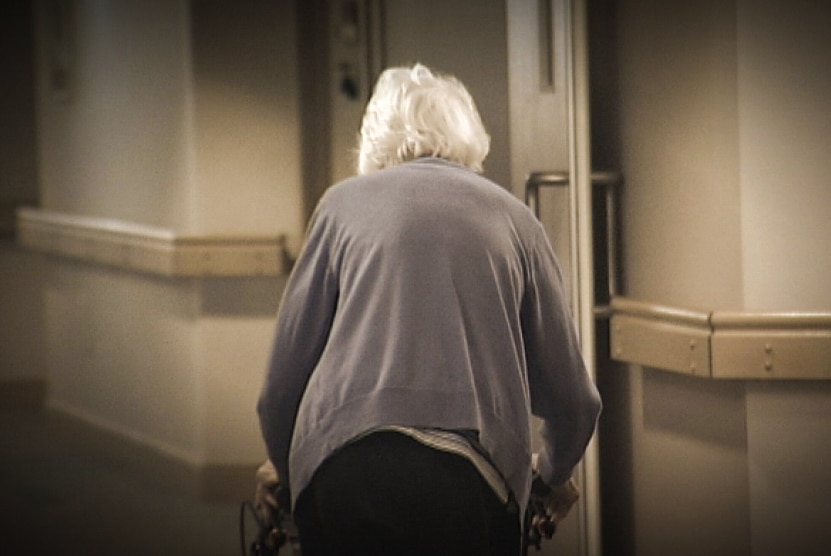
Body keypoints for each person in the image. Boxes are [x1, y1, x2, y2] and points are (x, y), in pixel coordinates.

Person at [255, 62, 601, 555]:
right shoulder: (517, 221)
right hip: (468, 483)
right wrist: (551, 474)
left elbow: (278, 393)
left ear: (374, 140)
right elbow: (576, 403)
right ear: (471, 139)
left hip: (343, 473)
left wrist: (286, 476)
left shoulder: (340, 207)